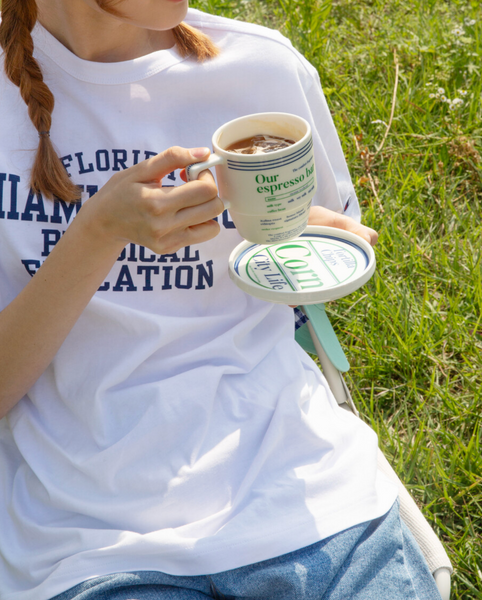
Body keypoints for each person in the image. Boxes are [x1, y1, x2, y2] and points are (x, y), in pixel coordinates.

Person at [0, 1, 442, 599]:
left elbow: (299, 281)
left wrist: (293, 234)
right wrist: (98, 233)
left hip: (310, 497)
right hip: (95, 543)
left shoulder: (263, 69)